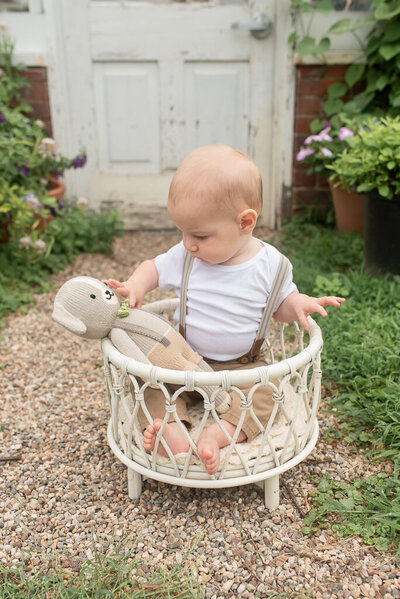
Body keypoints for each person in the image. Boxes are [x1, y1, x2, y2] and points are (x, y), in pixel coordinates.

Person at [104, 144, 345, 475]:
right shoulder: (188, 255)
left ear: (245, 223)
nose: (188, 243)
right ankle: (171, 429)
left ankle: (218, 435)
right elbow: (154, 268)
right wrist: (135, 285)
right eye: (183, 232)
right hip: (185, 362)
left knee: (269, 394)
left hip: (243, 367)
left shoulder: (271, 266)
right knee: (147, 383)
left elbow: (281, 304)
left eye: (200, 235)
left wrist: (299, 304)